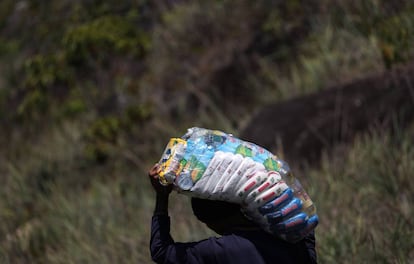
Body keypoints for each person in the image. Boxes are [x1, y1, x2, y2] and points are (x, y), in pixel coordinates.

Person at [149, 164, 317, 264]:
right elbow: (307, 226)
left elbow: (161, 252)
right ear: (238, 203)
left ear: (209, 222)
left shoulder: (220, 250)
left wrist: (161, 197)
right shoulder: (288, 232)